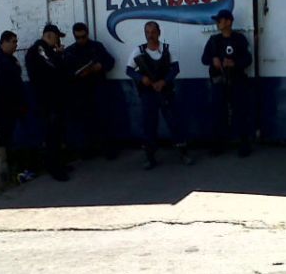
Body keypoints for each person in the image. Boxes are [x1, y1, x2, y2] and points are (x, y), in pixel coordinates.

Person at [126, 21, 191, 169]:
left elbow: (175, 68)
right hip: (148, 94)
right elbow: (129, 70)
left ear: (159, 33)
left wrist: (164, 81)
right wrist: (141, 78)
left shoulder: (167, 49)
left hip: (166, 93)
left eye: (153, 32)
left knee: (174, 123)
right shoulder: (138, 51)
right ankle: (150, 157)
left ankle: (183, 153)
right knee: (149, 125)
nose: (150, 35)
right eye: (147, 32)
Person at [201, 9, 253, 157]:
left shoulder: (239, 39)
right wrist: (213, 60)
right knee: (218, 113)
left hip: (237, 81)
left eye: (220, 20)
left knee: (241, 113)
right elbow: (204, 59)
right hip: (219, 82)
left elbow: (248, 59)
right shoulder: (213, 40)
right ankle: (218, 145)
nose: (217, 23)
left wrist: (234, 63)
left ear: (228, 22)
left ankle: (244, 144)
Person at [25, 23, 71, 181]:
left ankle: (59, 163)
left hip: (54, 99)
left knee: (57, 133)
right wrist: (60, 56)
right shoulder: (39, 49)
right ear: (50, 36)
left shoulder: (47, 50)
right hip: (47, 100)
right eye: (57, 38)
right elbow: (54, 66)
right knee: (51, 134)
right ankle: (54, 167)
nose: (58, 41)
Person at [64, 22, 117, 159]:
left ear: (87, 34)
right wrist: (77, 75)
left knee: (104, 120)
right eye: (78, 37)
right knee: (85, 122)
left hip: (98, 89)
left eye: (83, 37)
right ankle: (88, 150)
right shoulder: (70, 51)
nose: (81, 40)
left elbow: (110, 61)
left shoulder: (96, 47)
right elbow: (66, 73)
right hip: (81, 93)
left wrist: (100, 66)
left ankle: (108, 149)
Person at [0, 30, 34, 180]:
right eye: (13, 42)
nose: (16, 45)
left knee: (15, 137)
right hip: (5, 106)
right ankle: (11, 169)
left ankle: (18, 167)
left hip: (14, 105)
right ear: (4, 42)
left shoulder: (9, 59)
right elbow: (5, 85)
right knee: (9, 138)